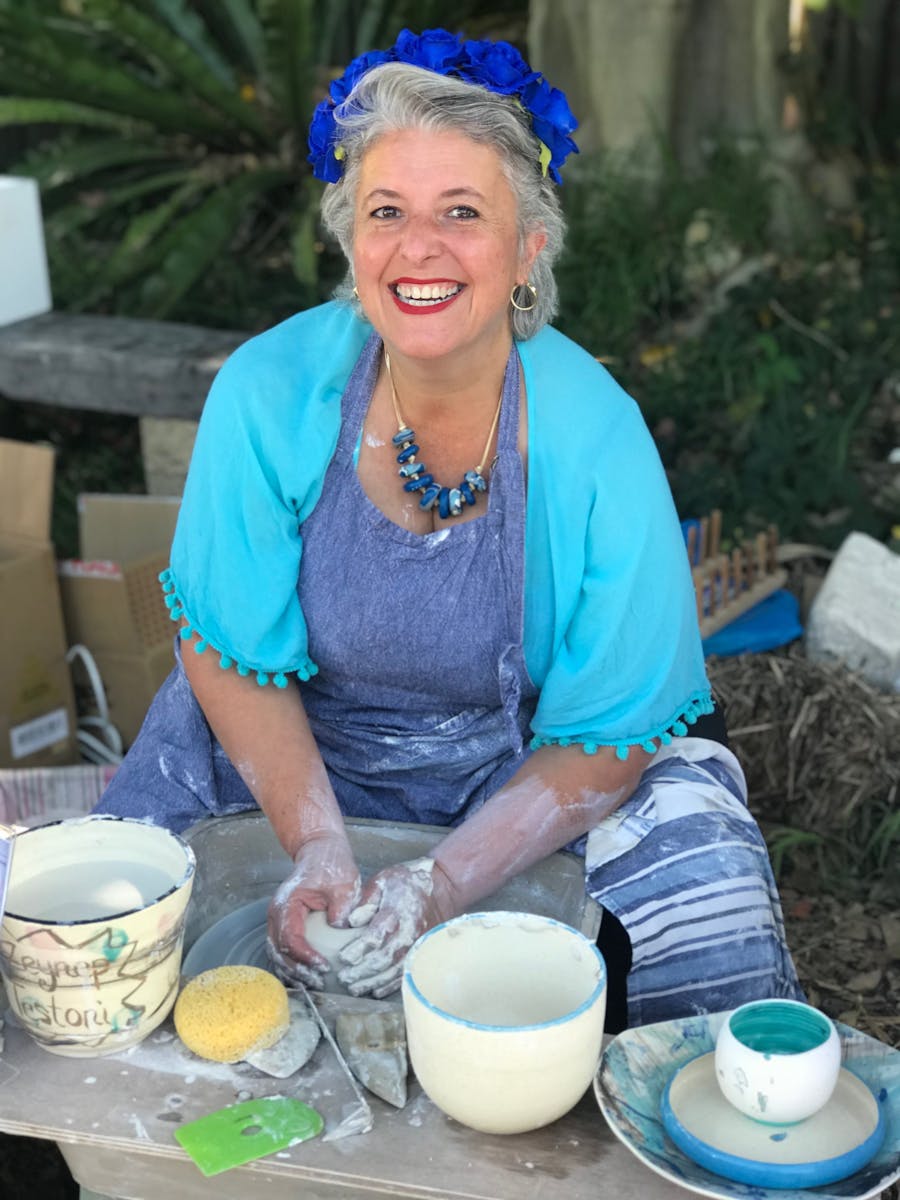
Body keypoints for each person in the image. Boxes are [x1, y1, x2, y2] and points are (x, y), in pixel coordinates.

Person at [95, 27, 803, 1030]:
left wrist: (439, 884)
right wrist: (319, 847)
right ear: (352, 238)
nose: (418, 248)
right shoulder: (269, 394)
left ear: (529, 249)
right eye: (388, 211)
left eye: (461, 213)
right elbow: (232, 659)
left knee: (689, 867)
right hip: (296, 750)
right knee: (114, 945)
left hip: (522, 769)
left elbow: (606, 738)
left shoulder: (594, 436)